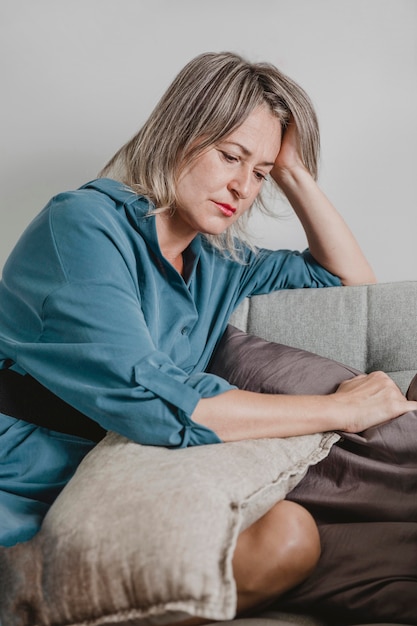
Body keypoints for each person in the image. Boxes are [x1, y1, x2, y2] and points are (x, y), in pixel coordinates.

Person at [0, 51, 415, 619]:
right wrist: (338, 410)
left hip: (131, 483)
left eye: (260, 173)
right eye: (230, 156)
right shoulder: (82, 225)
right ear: (179, 135)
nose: (244, 186)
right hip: (23, 486)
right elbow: (154, 403)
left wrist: (294, 172)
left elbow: (350, 285)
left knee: (290, 535)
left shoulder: (220, 259)